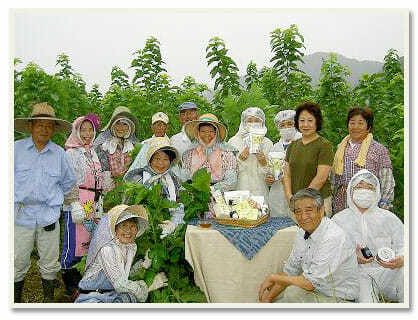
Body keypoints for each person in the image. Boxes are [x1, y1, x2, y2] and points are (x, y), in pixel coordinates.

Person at [14, 102, 76, 303]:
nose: (44, 129)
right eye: (40, 125)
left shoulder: (59, 154)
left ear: (54, 130)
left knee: (49, 262)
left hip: (49, 216)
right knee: (17, 260)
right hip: (20, 215)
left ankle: (48, 301)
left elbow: (69, 183)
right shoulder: (15, 150)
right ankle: (16, 301)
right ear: (31, 126)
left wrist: (57, 203)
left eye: (48, 126)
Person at [258, 188, 359, 303]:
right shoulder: (302, 231)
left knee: (292, 292)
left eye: (308, 210)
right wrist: (267, 300)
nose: (303, 217)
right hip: (315, 293)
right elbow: (290, 270)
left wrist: (274, 277)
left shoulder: (333, 237)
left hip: (339, 299)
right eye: (298, 212)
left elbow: (310, 283)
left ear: (321, 211)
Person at [60, 113, 113, 299]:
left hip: (92, 202)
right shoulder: (71, 152)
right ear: (76, 131)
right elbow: (67, 181)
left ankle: (84, 282)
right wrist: (73, 203)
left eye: (90, 130)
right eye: (83, 130)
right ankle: (69, 281)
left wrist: (102, 193)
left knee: (89, 240)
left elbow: (97, 178)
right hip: (78, 200)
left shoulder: (93, 152)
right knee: (73, 241)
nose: (87, 133)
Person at [332, 169, 404, 303]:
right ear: (351, 191)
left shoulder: (389, 218)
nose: (364, 191)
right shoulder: (338, 220)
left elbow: (405, 245)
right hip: (357, 275)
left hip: (388, 272)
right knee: (368, 303)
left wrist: (401, 259)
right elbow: (330, 252)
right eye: (359, 187)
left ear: (376, 192)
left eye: (369, 187)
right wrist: (352, 258)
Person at [75, 204, 168, 303]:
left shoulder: (130, 247)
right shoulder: (107, 249)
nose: (128, 230)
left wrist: (143, 265)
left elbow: (122, 275)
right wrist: (149, 286)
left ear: (137, 229)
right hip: (92, 298)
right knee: (129, 298)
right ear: (115, 229)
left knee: (128, 297)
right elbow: (120, 285)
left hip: (110, 296)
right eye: (123, 226)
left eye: (132, 226)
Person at [332, 107, 395, 213]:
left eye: (360, 123)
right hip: (342, 202)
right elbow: (333, 179)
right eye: (352, 123)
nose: (355, 127)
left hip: (368, 202)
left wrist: (384, 204)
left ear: (368, 127)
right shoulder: (340, 148)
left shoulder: (378, 149)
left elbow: (387, 180)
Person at [124, 137, 184, 238]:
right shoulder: (138, 178)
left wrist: (173, 224)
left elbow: (178, 204)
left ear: (170, 162)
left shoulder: (173, 180)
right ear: (150, 160)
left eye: (166, 159)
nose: (161, 163)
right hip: (142, 231)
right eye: (157, 159)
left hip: (169, 230)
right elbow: (128, 207)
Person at [282, 102, 334, 217]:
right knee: (298, 234)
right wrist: (289, 196)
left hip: (318, 202)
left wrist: (302, 199)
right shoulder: (293, 145)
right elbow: (286, 174)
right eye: (302, 121)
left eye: (310, 120)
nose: (305, 124)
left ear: (317, 122)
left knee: (319, 233)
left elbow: (321, 178)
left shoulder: (324, 146)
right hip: (295, 203)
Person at [183, 113, 238, 193]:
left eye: (211, 131)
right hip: (195, 194)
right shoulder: (191, 153)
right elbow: (184, 177)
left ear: (216, 133)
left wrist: (211, 189)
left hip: (219, 195)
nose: (207, 134)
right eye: (203, 131)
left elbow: (231, 181)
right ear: (198, 133)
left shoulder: (226, 153)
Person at [228, 107, 273, 199]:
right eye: (250, 120)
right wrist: (241, 158)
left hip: (260, 190)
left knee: (262, 212)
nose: (253, 123)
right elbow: (228, 171)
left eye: (257, 121)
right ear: (244, 122)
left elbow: (271, 174)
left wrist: (263, 162)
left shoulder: (267, 142)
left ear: (262, 123)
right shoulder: (234, 142)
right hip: (240, 189)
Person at [265, 110, 302, 217]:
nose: (286, 127)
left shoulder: (304, 143)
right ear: (278, 127)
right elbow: (270, 171)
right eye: (282, 125)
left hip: (297, 193)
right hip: (277, 196)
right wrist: (269, 179)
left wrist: (288, 177)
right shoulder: (275, 147)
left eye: (290, 124)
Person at [93, 106, 138, 184]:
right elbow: (101, 171)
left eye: (125, 124)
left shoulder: (134, 146)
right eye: (118, 123)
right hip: (109, 189)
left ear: (129, 127)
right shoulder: (104, 145)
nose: (121, 127)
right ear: (113, 125)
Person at [125, 112, 170, 177]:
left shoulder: (172, 143)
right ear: (152, 127)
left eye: (163, 124)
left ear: (167, 127)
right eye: (156, 124)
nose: (159, 127)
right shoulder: (144, 144)